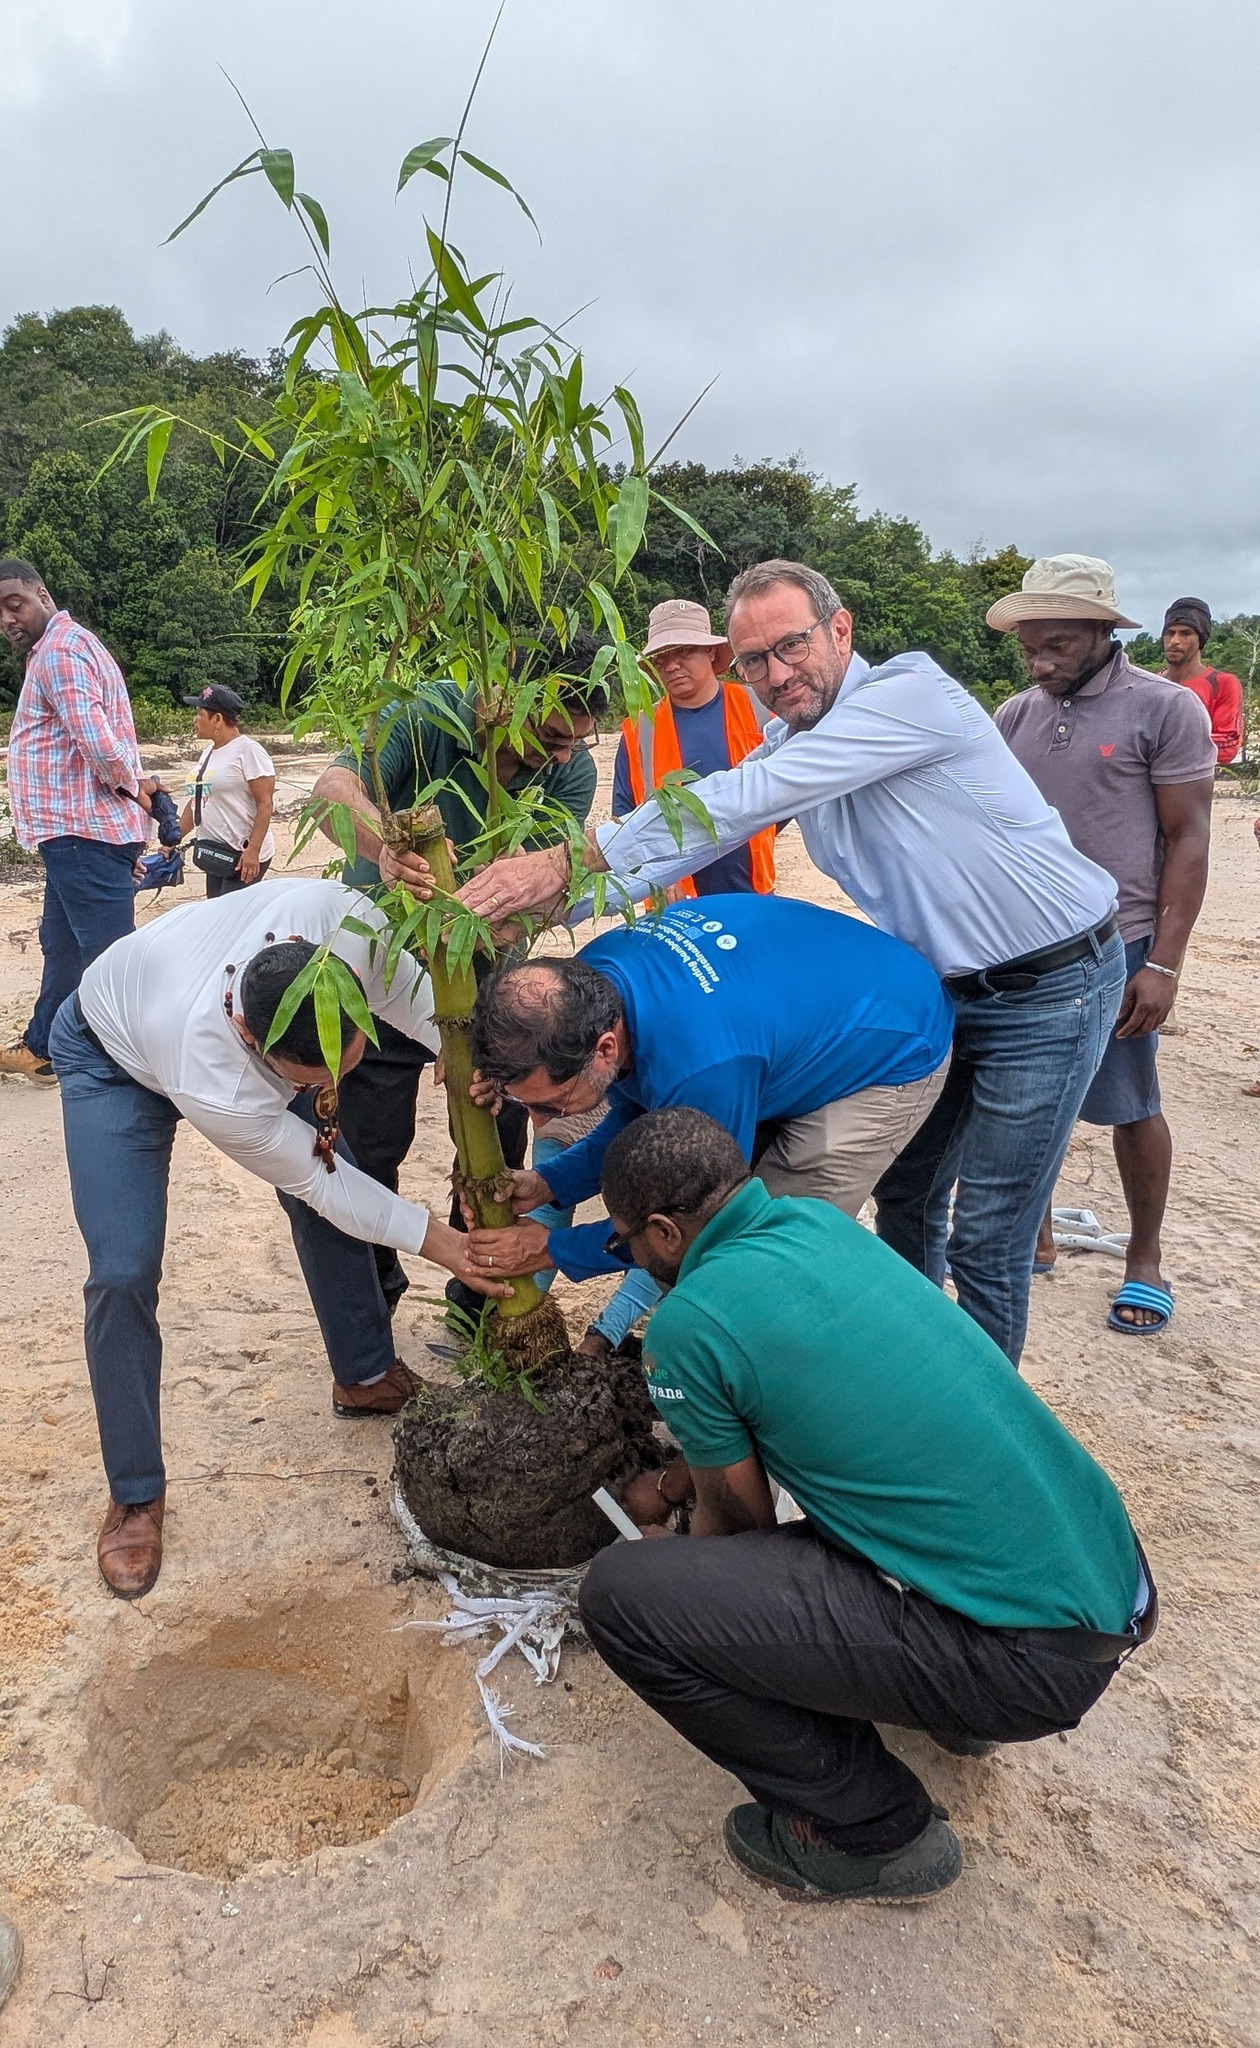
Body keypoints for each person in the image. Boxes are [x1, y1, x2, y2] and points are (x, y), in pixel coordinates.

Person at [457, 558, 1127, 1367]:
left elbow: (745, 801)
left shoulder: (905, 699)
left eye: (792, 647)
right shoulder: (790, 738)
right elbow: (704, 829)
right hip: (946, 989)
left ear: (840, 630)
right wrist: (539, 904)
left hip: (1049, 985)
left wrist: (571, 860)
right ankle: (908, 1369)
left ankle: (980, 1424)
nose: (775, 675)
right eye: (753, 662)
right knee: (909, 1199)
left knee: (990, 1231)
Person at [578, 1108, 1156, 1904]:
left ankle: (872, 1832)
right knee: (879, 1485)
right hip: (1104, 1582)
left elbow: (742, 1529)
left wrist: (671, 1558)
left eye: (624, 1244)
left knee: (623, 1598)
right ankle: (954, 1703)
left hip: (1030, 1664)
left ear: (665, 1234)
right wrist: (680, 1480)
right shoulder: (816, 1223)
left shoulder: (688, 1322)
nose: (631, 1258)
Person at [49, 877, 509, 1600]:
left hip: (207, 1021)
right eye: (308, 1079)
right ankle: (136, 1493)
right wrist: (447, 1246)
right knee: (124, 1271)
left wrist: (479, 1069)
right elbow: (321, 1186)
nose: (329, 1086)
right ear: (251, 1039)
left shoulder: (344, 928)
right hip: (112, 1053)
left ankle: (364, 1376)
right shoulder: (217, 1078)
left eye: (345, 1060)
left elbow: (426, 1010)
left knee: (332, 1155)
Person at [308, 640, 606, 1321]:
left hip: (486, 973)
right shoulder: (425, 714)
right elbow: (331, 792)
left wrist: (514, 920)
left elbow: (549, 881)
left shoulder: (570, 771)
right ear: (506, 692)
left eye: (574, 743)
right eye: (552, 735)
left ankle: (479, 1308)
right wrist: (384, 851)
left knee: (496, 1135)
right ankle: (373, 1301)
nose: (562, 757)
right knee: (372, 1140)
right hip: (381, 959)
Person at [458, 894, 954, 1292]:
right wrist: (551, 1183)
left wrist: (553, 1248)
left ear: (606, 1047)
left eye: (553, 1103)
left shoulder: (703, 1067)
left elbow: (700, 1217)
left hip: (894, 1037)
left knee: (764, 1248)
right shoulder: (586, 983)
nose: (542, 1122)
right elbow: (638, 1107)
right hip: (804, 998)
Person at [991, 557, 1215, 1335]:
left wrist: (1162, 964)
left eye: (1055, 643)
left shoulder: (1164, 709)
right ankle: (1038, 1234)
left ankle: (1145, 1257)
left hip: (1118, 945)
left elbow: (1188, 839)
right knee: (1025, 1098)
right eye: (1028, 647)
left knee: (1130, 1103)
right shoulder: (1014, 716)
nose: (1039, 661)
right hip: (1027, 946)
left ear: (1100, 632)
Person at [0, 559, 157, 1083]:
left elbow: (96, 740)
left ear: (41, 594)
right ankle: (44, 1046)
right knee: (62, 944)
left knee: (109, 954)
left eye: (13, 603)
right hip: (73, 835)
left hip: (84, 833)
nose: (6, 619)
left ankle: (131, 1060)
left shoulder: (61, 652)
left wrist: (136, 792)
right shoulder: (60, 648)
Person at [612, 598, 774, 896]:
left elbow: (786, 795)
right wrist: (653, 877)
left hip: (753, 894)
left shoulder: (760, 711)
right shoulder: (638, 731)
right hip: (672, 904)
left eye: (684, 652)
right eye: (661, 657)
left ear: (711, 652)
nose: (672, 665)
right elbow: (623, 823)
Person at [178, 684, 276, 895]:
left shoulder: (249, 751)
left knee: (235, 921)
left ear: (218, 719)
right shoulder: (208, 753)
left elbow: (265, 803)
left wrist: (253, 851)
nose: (195, 719)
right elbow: (197, 800)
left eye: (200, 713)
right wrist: (173, 839)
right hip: (215, 851)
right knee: (218, 916)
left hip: (242, 855)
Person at [1160, 598, 1244, 767]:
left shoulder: (1222, 683)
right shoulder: (1151, 685)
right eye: (1170, 633)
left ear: (1201, 639)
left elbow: (1227, 746)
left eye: (1185, 633)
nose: (1174, 641)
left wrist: (1161, 746)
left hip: (1198, 785)